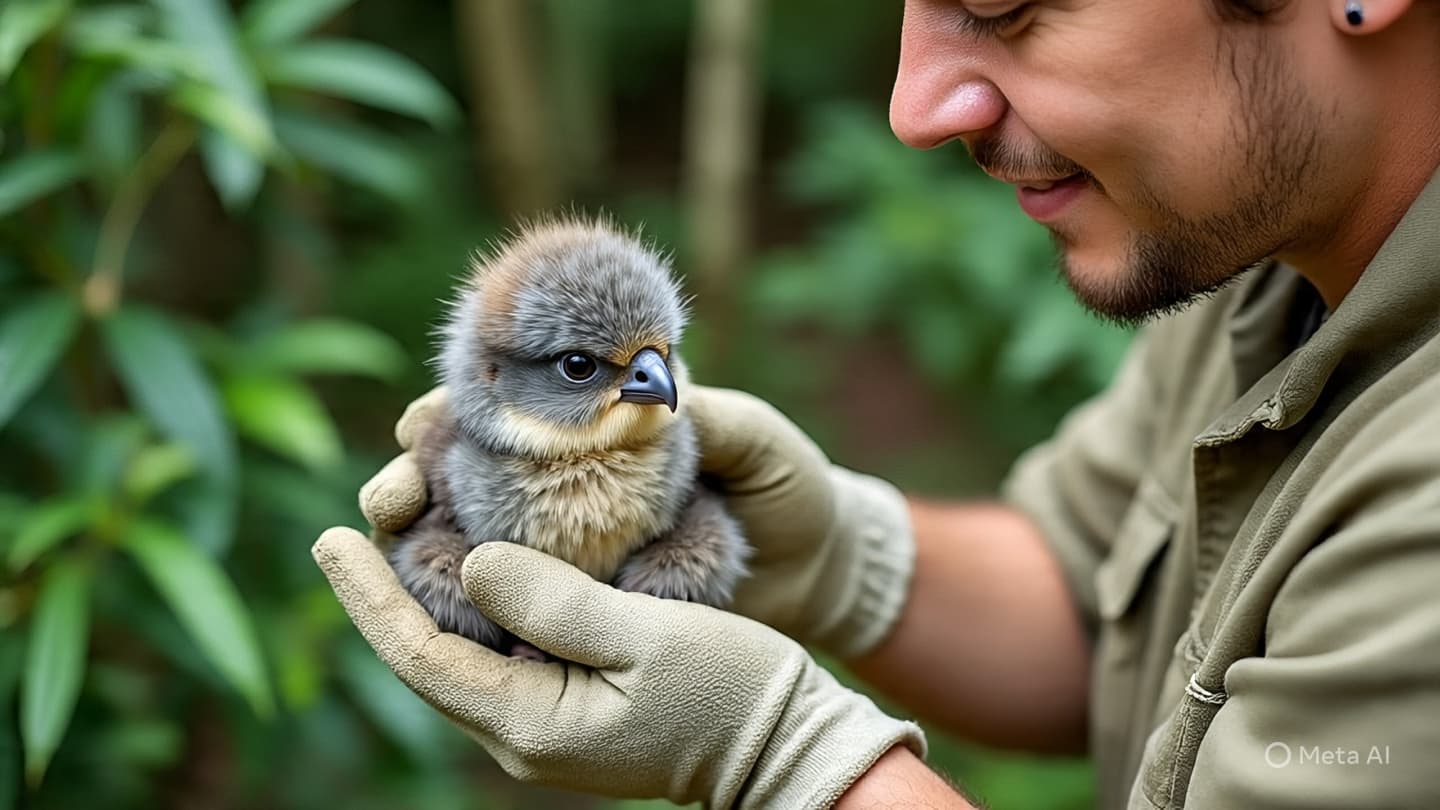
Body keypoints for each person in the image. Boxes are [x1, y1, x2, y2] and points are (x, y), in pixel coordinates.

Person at [312, 0, 1440, 806]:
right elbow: (1101, 603)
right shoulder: (1254, 238)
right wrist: (843, 554)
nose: (915, 106)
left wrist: (787, 759)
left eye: (1002, 5)